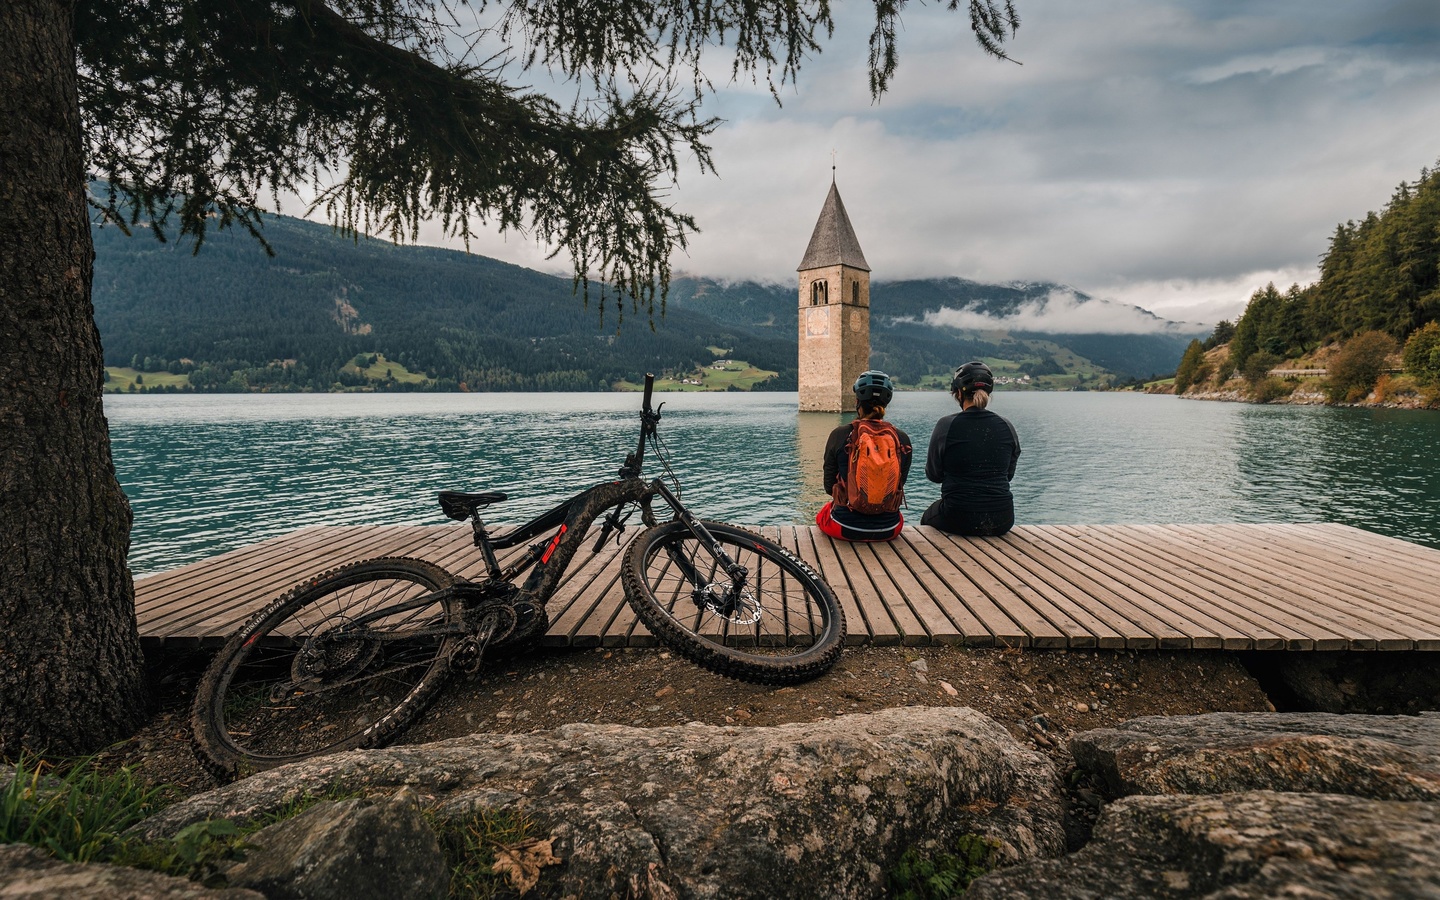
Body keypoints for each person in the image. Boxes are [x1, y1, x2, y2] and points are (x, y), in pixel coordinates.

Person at [921, 361, 1021, 536]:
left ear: (958, 393)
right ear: (988, 393)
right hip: (1003, 520)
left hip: (958, 517)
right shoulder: (1007, 426)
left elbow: (934, 475)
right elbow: (1008, 475)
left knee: (927, 517)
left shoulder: (946, 425)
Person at [817, 370, 913, 542]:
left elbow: (828, 486)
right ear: (887, 402)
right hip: (890, 528)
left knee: (822, 514)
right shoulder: (901, 438)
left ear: (857, 401)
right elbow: (900, 483)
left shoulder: (839, 435)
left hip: (845, 527)